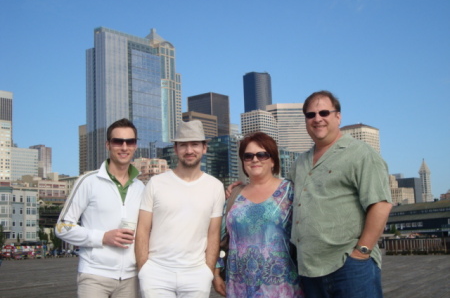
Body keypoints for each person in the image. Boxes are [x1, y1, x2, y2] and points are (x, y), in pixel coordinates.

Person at [289, 90, 392, 297]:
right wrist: (241, 189)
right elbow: (280, 195)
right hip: (309, 269)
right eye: (311, 115)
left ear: (338, 116)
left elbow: (381, 204)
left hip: (349, 266)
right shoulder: (299, 163)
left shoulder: (360, 153)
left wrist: (362, 252)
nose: (317, 119)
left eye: (324, 113)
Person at [56, 118, 145, 298]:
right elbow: (62, 227)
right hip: (94, 275)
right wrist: (102, 237)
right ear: (108, 145)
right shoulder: (88, 181)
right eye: (118, 141)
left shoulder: (141, 188)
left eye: (130, 141)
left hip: (130, 278)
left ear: (136, 146)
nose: (124, 147)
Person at [135, 120, 225, 298]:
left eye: (195, 144)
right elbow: (143, 229)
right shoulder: (156, 183)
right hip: (156, 272)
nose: (189, 150)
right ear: (175, 149)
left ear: (204, 148)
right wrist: (144, 269)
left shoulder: (215, 186)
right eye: (183, 145)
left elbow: (213, 234)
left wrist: (207, 271)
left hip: (196, 274)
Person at [213, 132, 303, 298]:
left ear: (273, 160)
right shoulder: (234, 195)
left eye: (262, 154)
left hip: (281, 288)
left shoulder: (290, 191)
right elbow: (218, 238)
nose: (255, 160)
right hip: (239, 288)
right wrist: (217, 274)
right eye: (248, 156)